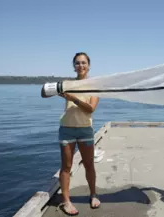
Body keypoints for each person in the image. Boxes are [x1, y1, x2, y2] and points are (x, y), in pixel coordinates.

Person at [54, 52, 100, 215]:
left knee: (89, 165)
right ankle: (66, 201)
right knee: (66, 166)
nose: (80, 66)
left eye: (83, 63)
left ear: (89, 65)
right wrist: (55, 90)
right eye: (77, 63)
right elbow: (44, 92)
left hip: (85, 129)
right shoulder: (67, 84)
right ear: (73, 66)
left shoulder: (95, 86)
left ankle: (93, 195)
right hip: (67, 129)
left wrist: (73, 98)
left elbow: (91, 109)